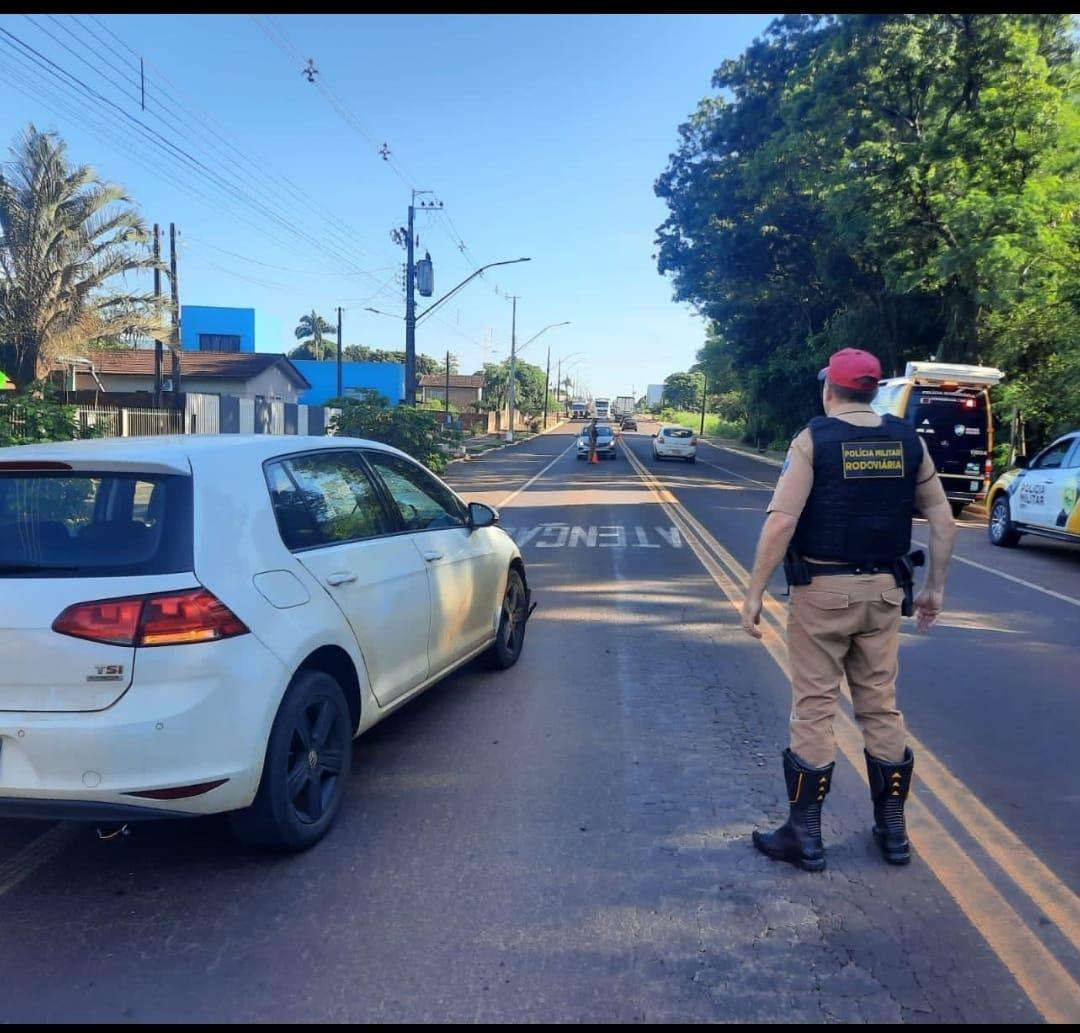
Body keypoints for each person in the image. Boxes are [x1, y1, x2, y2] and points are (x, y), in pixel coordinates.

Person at [741, 348, 956, 871]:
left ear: (829, 390)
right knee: (880, 707)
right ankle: (893, 832)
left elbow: (781, 523)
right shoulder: (908, 441)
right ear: (874, 391)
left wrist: (754, 593)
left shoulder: (814, 439)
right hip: (885, 592)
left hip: (823, 594)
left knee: (815, 706)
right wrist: (934, 590)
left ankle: (806, 836)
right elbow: (943, 519)